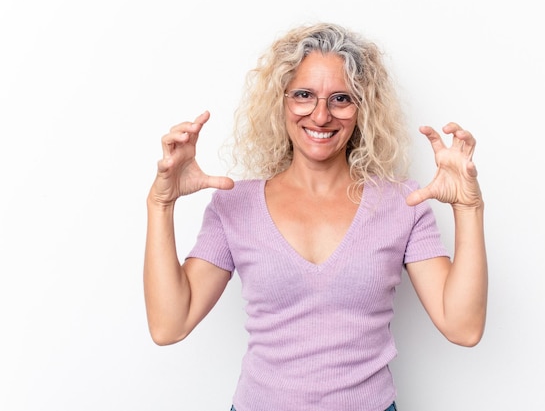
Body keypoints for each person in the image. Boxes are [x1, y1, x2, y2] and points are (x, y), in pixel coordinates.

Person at [143, 22, 487, 411]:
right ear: (282, 101)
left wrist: (468, 208)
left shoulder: (402, 203)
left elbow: (463, 327)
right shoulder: (234, 205)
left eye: (341, 98)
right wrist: (161, 204)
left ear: (363, 108)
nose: (321, 115)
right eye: (304, 95)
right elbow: (169, 325)